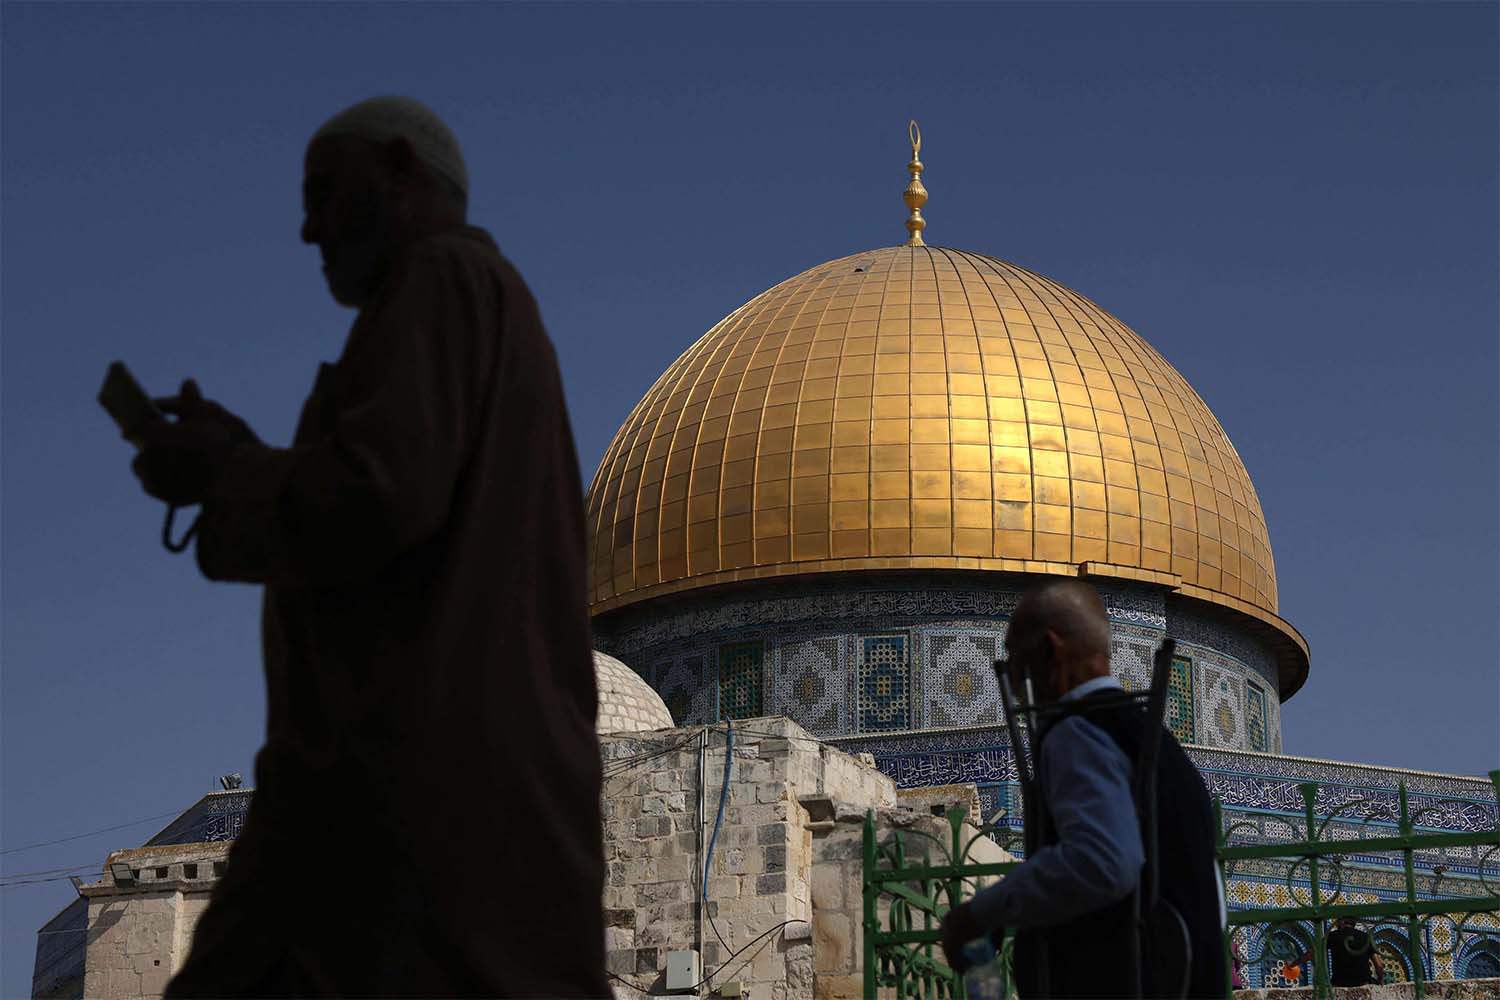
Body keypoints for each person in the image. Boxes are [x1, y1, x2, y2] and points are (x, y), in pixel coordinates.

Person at [131, 96, 607, 997]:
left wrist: (226, 471)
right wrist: (241, 460)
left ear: (398, 169)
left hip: (407, 793)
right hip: (417, 786)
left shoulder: (443, 279)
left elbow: (377, 501)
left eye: (322, 194)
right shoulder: (478, 305)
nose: (306, 228)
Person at [939, 579, 1227, 998]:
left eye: (1019, 662)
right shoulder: (1158, 745)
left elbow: (1103, 861)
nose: (1018, 684)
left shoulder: (1077, 732)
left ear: (1052, 650)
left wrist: (979, 914)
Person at [1325, 917, 1385, 987]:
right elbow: (1379, 966)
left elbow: (1314, 952)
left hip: (1340, 983)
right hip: (1363, 983)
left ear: (1342, 922)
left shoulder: (1332, 936)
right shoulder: (1366, 937)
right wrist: (1380, 980)